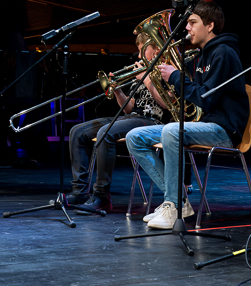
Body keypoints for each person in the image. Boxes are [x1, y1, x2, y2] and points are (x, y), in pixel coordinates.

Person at [126, 1, 249, 230]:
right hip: (205, 124)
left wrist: (175, 77)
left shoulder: (224, 53)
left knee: (172, 130)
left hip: (224, 129)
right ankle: (179, 201)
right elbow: (194, 97)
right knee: (135, 137)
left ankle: (172, 204)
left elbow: (207, 99)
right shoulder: (202, 56)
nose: (187, 28)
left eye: (192, 22)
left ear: (210, 26)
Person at [65, 33, 171, 213]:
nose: (139, 55)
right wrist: (117, 91)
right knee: (77, 131)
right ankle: (80, 191)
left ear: (156, 50)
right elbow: (128, 108)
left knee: (105, 132)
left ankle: (102, 196)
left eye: (142, 50)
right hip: (133, 118)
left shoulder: (167, 72)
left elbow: (167, 104)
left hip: (153, 121)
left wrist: (146, 80)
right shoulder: (142, 72)